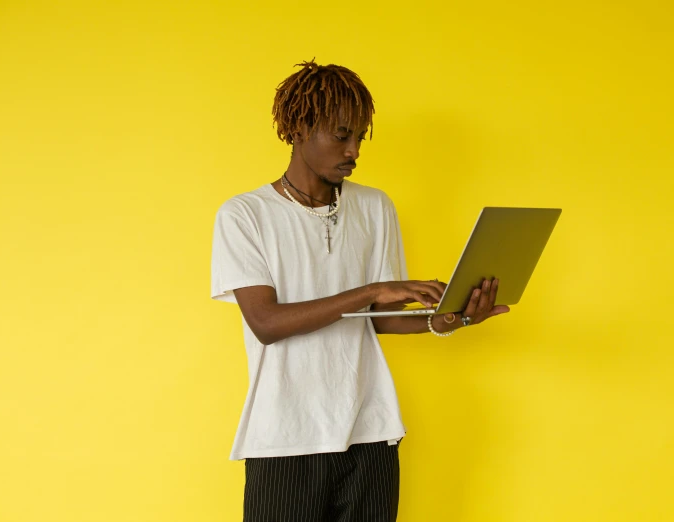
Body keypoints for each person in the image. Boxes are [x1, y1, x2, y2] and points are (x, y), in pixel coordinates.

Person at [210, 59, 510, 522]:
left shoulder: (375, 206)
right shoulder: (245, 215)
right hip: (286, 436)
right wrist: (372, 289)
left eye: (359, 138)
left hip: (370, 431)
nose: (354, 150)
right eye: (341, 135)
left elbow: (380, 318)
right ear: (298, 127)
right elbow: (267, 324)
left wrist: (452, 318)